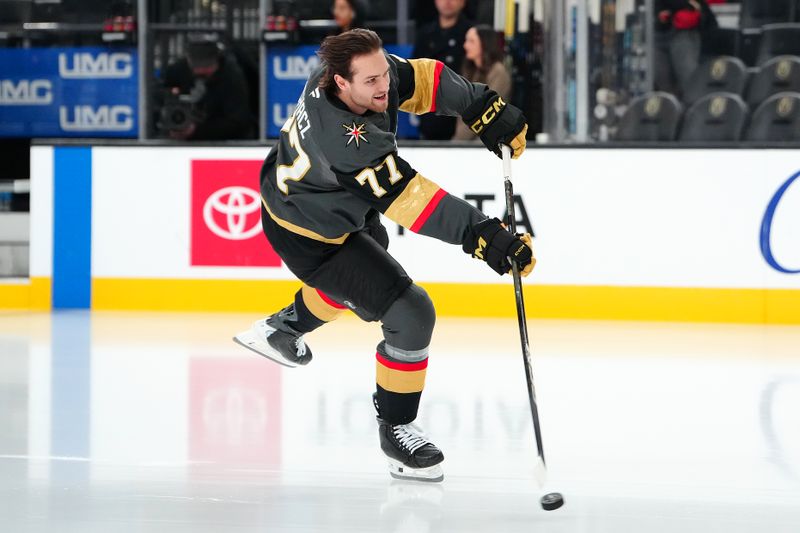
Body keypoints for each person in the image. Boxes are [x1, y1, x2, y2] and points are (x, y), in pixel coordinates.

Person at [234, 29, 531, 482]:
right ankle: (397, 430)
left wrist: (480, 106)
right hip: (308, 232)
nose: (383, 87)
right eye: (370, 81)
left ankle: (283, 327)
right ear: (340, 84)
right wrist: (483, 235)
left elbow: (426, 81)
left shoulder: (356, 72)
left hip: (326, 201)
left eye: (383, 73)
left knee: (363, 277)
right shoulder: (346, 143)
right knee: (411, 313)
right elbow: (414, 201)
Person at [161, 34, 256, 140]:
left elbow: (239, 120)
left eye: (206, 69)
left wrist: (196, 130)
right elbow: (158, 103)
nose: (201, 71)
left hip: (224, 137)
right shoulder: (176, 72)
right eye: (197, 68)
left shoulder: (232, 76)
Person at [412, 0, 473, 140]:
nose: (447, 2)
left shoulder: (470, 34)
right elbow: (414, 71)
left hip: (459, 113)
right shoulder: (425, 34)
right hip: (430, 111)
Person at [453, 25, 512, 141]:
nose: (465, 45)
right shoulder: (470, 71)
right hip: (465, 142)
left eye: (471, 41)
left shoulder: (498, 72)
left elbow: (487, 113)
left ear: (485, 43)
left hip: (486, 144)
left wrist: (458, 142)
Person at [654, 0, 718, 98]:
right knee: (662, 85)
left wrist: (691, 7)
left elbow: (699, 7)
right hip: (655, 31)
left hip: (684, 32)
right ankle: (670, 110)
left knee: (688, 79)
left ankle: (694, 110)